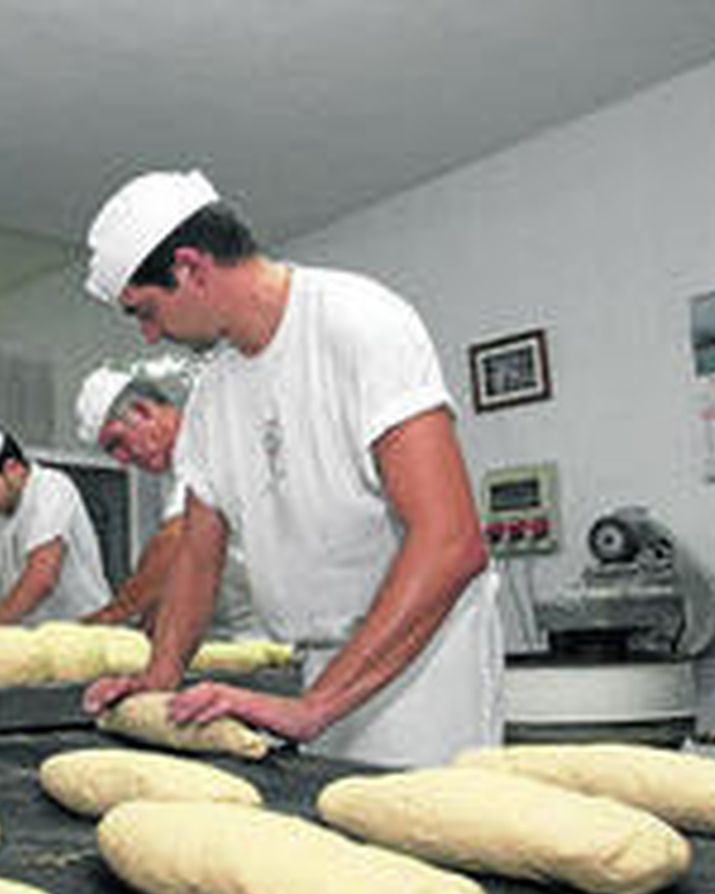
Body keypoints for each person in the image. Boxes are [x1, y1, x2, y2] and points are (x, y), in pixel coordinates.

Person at [80, 169, 503, 769]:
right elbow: (198, 555)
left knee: (423, 846)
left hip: (422, 658)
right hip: (320, 660)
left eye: (146, 312)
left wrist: (314, 708)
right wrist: (159, 678)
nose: (149, 337)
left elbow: (452, 542)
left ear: (190, 268)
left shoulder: (358, 323)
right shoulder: (211, 395)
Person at [73, 366, 261, 638]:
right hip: (231, 635)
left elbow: (175, 543)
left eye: (118, 442)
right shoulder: (176, 473)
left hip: (270, 640)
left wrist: (109, 618)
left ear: (142, 411)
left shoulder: (207, 440)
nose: (122, 460)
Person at [0, 417, 112, 625]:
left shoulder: (51, 489)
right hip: (34, 638)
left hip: (84, 631)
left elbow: (42, 578)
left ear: (12, 469)